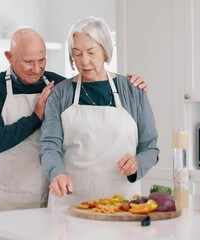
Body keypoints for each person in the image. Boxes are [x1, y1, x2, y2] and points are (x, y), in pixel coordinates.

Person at [0, 28, 148, 212]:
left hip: (47, 195)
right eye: (28, 62)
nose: (36, 69)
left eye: (41, 60)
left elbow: (92, 90)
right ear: (9, 57)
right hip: (5, 199)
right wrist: (35, 118)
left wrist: (133, 86)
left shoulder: (58, 85)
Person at [39, 17, 159, 207]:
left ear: (105, 51)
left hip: (121, 203)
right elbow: (49, 146)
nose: (84, 61)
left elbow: (150, 147)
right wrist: (56, 173)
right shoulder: (60, 93)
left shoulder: (132, 90)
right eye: (77, 53)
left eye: (91, 52)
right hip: (71, 201)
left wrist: (137, 163)